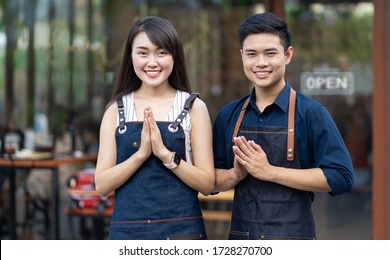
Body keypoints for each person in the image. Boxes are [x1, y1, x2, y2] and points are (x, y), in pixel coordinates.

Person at [212, 13, 354, 240]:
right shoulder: (228, 115)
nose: (260, 63)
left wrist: (270, 172)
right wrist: (234, 174)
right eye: (251, 54)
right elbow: (211, 182)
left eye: (270, 53)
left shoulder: (311, 113)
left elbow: (341, 176)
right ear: (241, 56)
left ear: (288, 55)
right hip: (242, 239)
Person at [94, 16, 214, 240]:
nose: (152, 62)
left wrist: (166, 155)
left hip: (182, 232)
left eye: (161, 53)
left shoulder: (194, 108)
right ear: (130, 56)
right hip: (127, 233)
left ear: (174, 56)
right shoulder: (115, 109)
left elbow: (207, 184)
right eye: (143, 53)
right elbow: (101, 185)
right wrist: (140, 155)